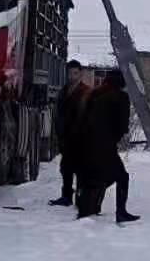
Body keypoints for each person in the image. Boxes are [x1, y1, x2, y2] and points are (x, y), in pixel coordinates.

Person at [76, 68, 140, 223]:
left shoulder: (93, 94)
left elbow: (81, 118)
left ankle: (87, 209)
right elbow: (123, 126)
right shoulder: (121, 97)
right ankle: (121, 212)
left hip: (85, 144)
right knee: (121, 177)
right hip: (105, 145)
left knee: (93, 176)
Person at [48, 61, 92, 207]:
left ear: (80, 74)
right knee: (66, 167)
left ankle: (81, 198)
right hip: (65, 136)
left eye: (75, 73)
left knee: (80, 169)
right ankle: (66, 196)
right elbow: (58, 113)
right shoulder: (64, 91)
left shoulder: (86, 92)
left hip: (79, 137)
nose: (72, 77)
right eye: (69, 73)